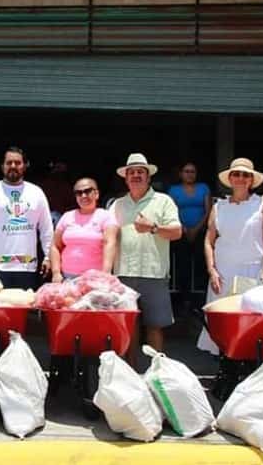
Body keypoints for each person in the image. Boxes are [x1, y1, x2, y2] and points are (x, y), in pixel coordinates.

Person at [197, 158, 263, 354]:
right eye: (236, 174)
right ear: (230, 178)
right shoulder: (219, 207)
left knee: (249, 323)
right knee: (222, 323)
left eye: (245, 175)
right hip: (223, 273)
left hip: (252, 272)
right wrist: (212, 269)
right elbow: (209, 241)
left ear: (251, 180)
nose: (240, 178)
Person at [109, 153, 182, 366]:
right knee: (128, 325)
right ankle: (130, 372)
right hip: (123, 273)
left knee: (155, 326)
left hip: (154, 272)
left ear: (148, 177)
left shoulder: (164, 201)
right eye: (132, 172)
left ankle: (156, 373)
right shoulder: (117, 205)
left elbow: (177, 232)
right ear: (125, 178)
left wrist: (154, 228)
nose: (136, 176)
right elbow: (109, 238)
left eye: (141, 172)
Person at [0, 146, 54, 289]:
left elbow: (46, 229)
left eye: (17, 163)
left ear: (25, 165)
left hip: (27, 268)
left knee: (25, 307)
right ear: (2, 166)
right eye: (9, 163)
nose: (13, 166)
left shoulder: (36, 193)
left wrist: (48, 256)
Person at [50, 177, 118, 282]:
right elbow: (55, 245)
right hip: (67, 277)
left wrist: (106, 273)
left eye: (87, 191)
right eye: (79, 193)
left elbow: (110, 243)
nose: (83, 196)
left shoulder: (106, 216)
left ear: (96, 194)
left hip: (96, 279)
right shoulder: (67, 216)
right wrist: (56, 272)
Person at [168, 161, 211, 312]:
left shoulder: (203, 188)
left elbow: (208, 210)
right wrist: (185, 228)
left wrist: (196, 229)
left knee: (202, 264)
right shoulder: (173, 190)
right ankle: (184, 300)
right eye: (186, 171)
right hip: (180, 231)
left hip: (201, 231)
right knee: (182, 265)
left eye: (192, 171)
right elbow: (172, 211)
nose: (189, 174)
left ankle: (202, 299)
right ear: (181, 174)